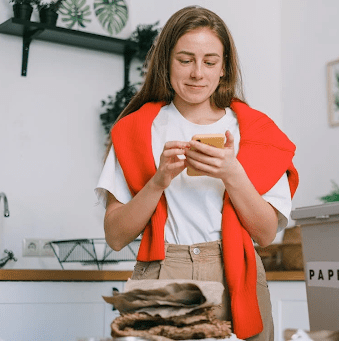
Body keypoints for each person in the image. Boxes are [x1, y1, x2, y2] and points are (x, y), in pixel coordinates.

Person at [95, 5, 299, 341]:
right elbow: (115, 237)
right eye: (185, 59)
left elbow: (264, 234)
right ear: (166, 63)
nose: (197, 73)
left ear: (224, 68)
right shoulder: (135, 131)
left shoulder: (257, 132)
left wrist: (232, 174)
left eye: (210, 61)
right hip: (162, 272)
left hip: (236, 275)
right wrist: (158, 181)